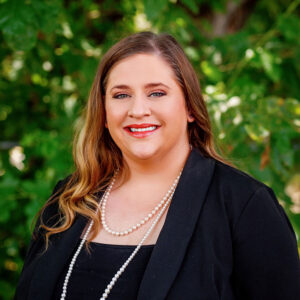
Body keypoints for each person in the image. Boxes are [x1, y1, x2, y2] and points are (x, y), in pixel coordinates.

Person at [15, 32, 300, 300]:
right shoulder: (68, 200)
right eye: (121, 95)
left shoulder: (245, 206)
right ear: (103, 112)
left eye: (157, 93)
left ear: (189, 107)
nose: (138, 110)